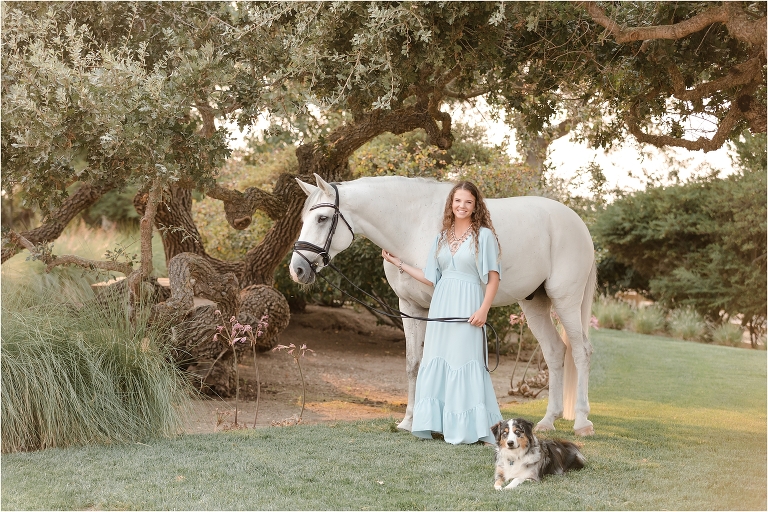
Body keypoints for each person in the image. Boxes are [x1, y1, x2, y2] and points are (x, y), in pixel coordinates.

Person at [382, 181, 503, 445]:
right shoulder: (441, 237)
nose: (462, 206)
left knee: (464, 362)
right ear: (451, 204)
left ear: (475, 206)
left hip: (469, 304)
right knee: (437, 359)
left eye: (468, 202)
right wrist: (398, 262)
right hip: (442, 305)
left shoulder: (484, 237)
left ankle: (471, 428)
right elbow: (430, 277)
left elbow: (493, 278)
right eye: (458, 201)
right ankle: (436, 423)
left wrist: (484, 309)